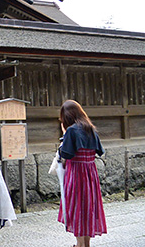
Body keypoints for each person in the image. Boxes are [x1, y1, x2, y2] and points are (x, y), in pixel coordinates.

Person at [58, 100, 107, 247]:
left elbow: (65, 155)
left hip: (76, 174)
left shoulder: (72, 131)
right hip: (90, 174)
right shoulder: (90, 129)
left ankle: (79, 244)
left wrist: (64, 134)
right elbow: (99, 151)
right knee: (88, 207)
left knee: (77, 207)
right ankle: (86, 244)